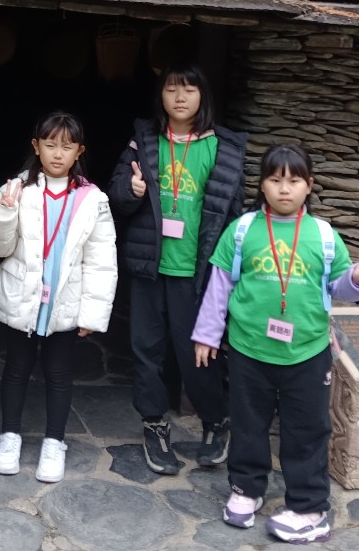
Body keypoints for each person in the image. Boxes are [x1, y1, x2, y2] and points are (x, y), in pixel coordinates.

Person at [193, 142, 359, 544]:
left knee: (307, 430)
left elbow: (340, 286)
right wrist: (207, 334)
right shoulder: (242, 230)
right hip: (248, 350)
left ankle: (310, 507)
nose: (284, 188)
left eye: (294, 180)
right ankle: (246, 489)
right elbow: (220, 285)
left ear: (308, 185)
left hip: (308, 353)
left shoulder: (323, 235)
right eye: (275, 179)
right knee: (248, 423)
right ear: (262, 184)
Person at [107, 63, 249, 474]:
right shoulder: (143, 139)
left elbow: (233, 214)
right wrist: (130, 189)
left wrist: (231, 272)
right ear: (161, 96)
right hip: (150, 266)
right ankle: (154, 425)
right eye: (171, 89)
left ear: (203, 96)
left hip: (196, 271)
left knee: (197, 353)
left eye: (189, 89)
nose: (180, 97)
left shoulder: (222, 147)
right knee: (146, 350)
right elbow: (116, 192)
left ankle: (216, 421)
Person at [0, 111, 118, 483]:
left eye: (67, 146)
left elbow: (101, 260)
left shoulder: (93, 199)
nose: (58, 153)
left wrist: (92, 314)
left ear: (79, 151)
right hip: (22, 296)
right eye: (50, 144)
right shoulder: (17, 189)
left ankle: (54, 443)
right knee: (16, 368)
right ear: (36, 146)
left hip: (65, 301)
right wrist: (4, 211)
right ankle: (9, 437)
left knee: (59, 373)